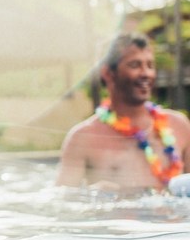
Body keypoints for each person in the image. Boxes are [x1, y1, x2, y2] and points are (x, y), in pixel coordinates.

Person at [56, 33, 189, 191]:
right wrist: (89, 196)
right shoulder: (83, 138)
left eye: (150, 65)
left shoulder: (180, 126)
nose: (146, 73)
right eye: (135, 65)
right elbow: (61, 201)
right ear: (108, 73)